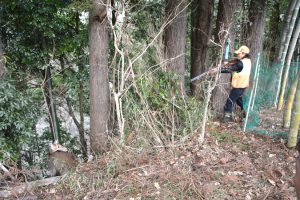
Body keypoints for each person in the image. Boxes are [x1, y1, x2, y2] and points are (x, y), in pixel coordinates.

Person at [211, 45, 251, 122]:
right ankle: (245, 113)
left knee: (230, 101)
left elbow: (231, 69)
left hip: (239, 86)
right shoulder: (247, 61)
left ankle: (227, 118)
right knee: (239, 100)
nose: (237, 54)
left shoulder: (241, 63)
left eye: (239, 53)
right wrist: (228, 63)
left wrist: (217, 70)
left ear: (244, 54)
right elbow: (236, 62)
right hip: (243, 85)